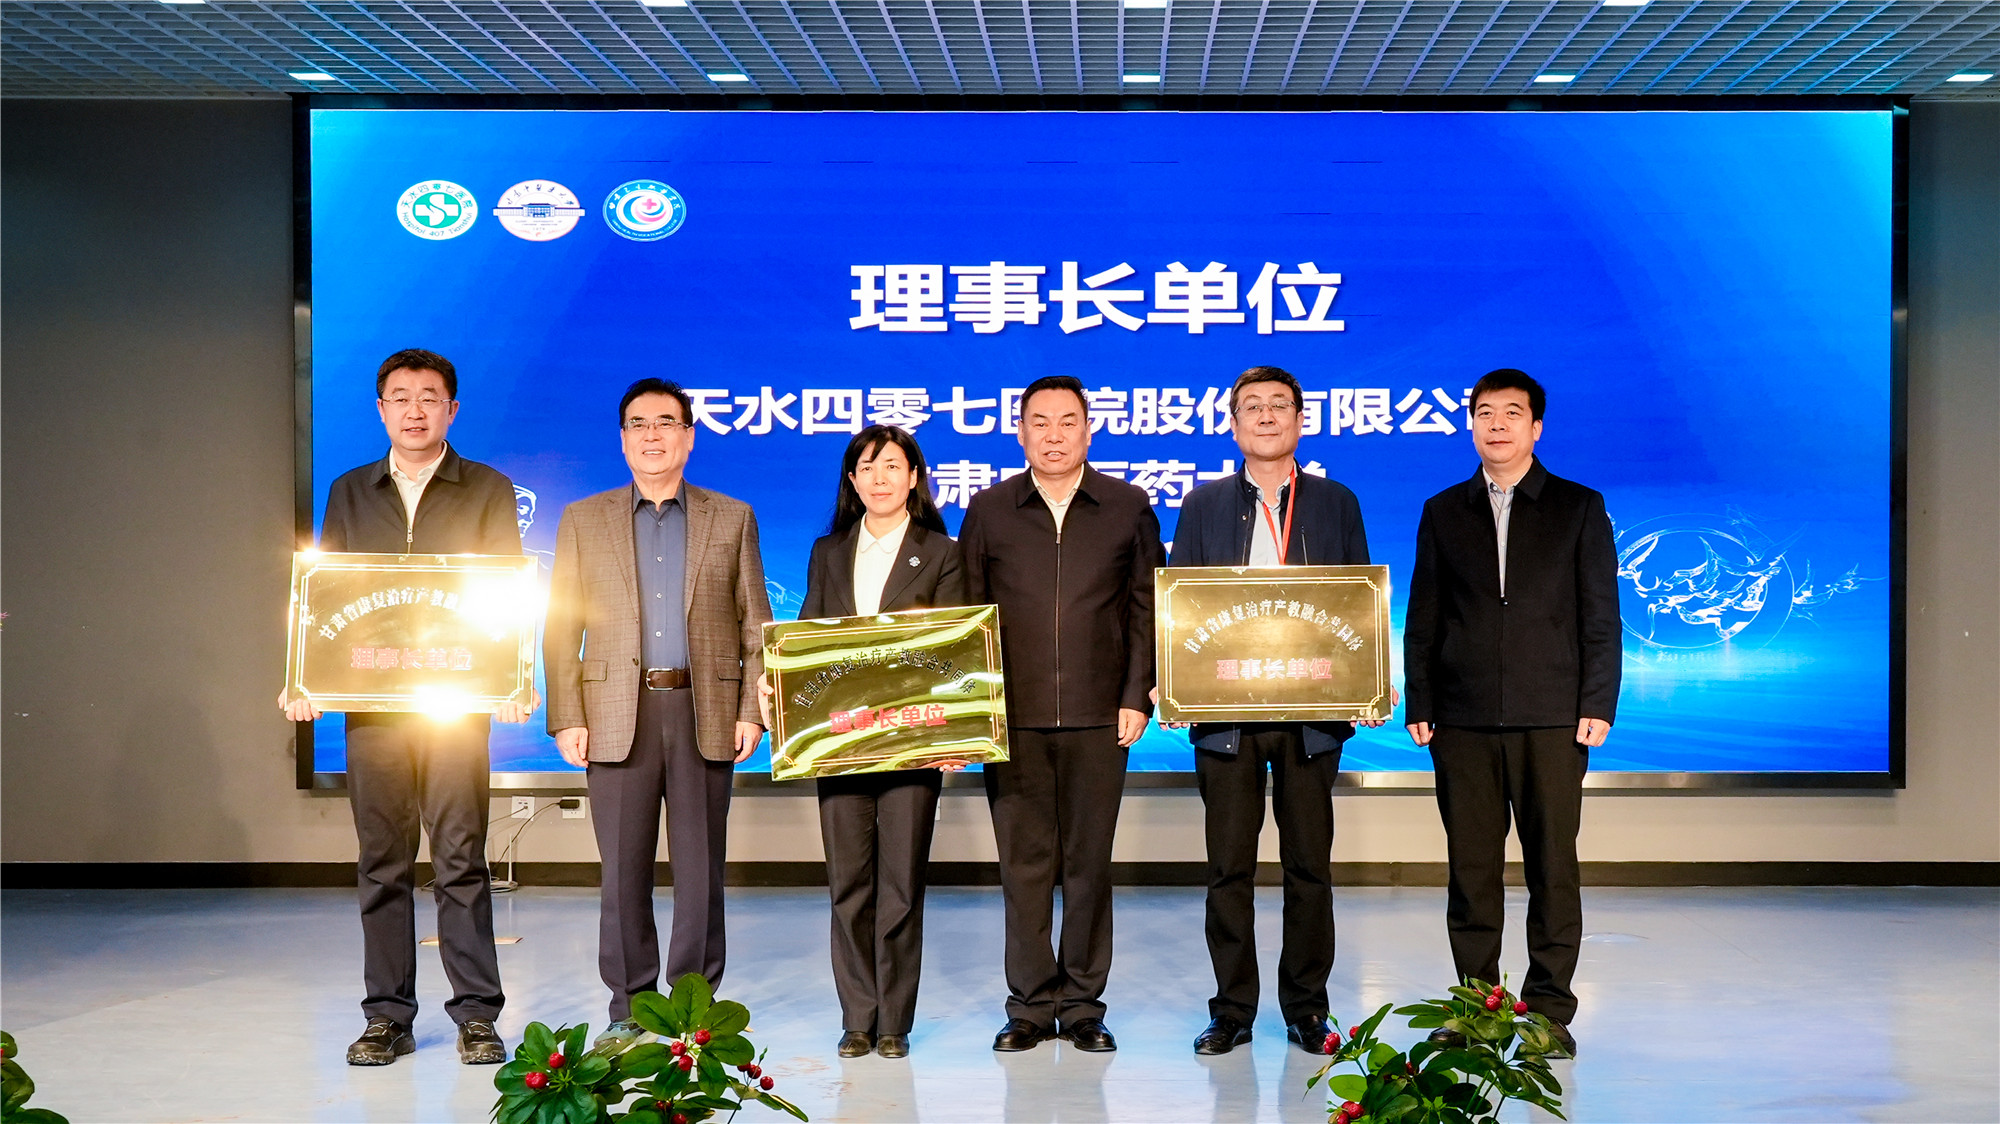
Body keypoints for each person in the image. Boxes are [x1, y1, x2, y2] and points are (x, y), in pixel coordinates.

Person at [279, 347, 533, 1067]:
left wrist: (517, 678)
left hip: (456, 705)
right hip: (376, 708)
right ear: (381, 409)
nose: (414, 410)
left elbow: (506, 595)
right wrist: (301, 676)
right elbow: (324, 594)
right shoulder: (350, 490)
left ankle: (477, 1015)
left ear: (452, 409)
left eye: (429, 397)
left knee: (461, 858)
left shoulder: (487, 487)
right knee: (382, 862)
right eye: (400, 397)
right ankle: (386, 1016)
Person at [542, 378, 771, 1046]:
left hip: (706, 709)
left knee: (701, 874)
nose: (652, 435)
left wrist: (752, 710)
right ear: (622, 439)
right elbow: (561, 628)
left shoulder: (732, 517)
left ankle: (693, 1010)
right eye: (638, 424)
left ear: (689, 437)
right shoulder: (583, 519)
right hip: (617, 712)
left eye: (666, 423)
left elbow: (755, 625)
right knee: (622, 873)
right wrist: (567, 714)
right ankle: (630, 1007)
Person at [1167, 366, 1388, 1057]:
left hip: (1311, 719)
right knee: (1228, 871)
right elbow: (1180, 608)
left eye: (1278, 406)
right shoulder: (1202, 505)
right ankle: (1232, 1010)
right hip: (1226, 721)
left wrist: (1369, 686)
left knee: (1308, 869)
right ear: (1233, 424)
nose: (1266, 416)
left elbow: (1358, 604)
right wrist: (1172, 688)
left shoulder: (1336, 502)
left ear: (1300, 419)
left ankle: (1307, 1010)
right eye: (1252, 407)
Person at [1403, 369, 1620, 1059]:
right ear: (1470, 425)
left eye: (1512, 413)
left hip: (1553, 717)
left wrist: (1597, 701)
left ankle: (1549, 1010)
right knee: (1471, 872)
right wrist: (1421, 698)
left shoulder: (1578, 506)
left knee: (1553, 867)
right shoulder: (1443, 510)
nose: (1496, 425)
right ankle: (1477, 1006)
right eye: (1484, 413)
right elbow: (1424, 617)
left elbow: (1600, 616)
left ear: (1536, 427)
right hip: (1461, 720)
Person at [958, 374, 1165, 1054]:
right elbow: (966, 617)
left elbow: (1147, 609)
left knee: (1088, 866)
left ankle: (1082, 1006)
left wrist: (1136, 694)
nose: (1053, 435)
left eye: (1067, 421)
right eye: (1039, 422)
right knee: (1023, 868)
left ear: (1088, 430)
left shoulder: (1127, 506)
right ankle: (1027, 1006)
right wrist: (974, 711)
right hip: (1012, 719)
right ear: (1020, 433)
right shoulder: (989, 509)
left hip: (1099, 717)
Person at [791, 425, 968, 1060]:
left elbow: (954, 650)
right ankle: (857, 1017)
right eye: (867, 467)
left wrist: (954, 732)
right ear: (852, 480)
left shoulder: (941, 553)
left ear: (914, 478)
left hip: (911, 742)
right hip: (840, 742)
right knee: (848, 885)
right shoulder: (828, 551)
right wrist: (778, 683)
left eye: (892, 465)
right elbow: (808, 638)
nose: (880, 477)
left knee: (900, 884)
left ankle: (894, 1020)